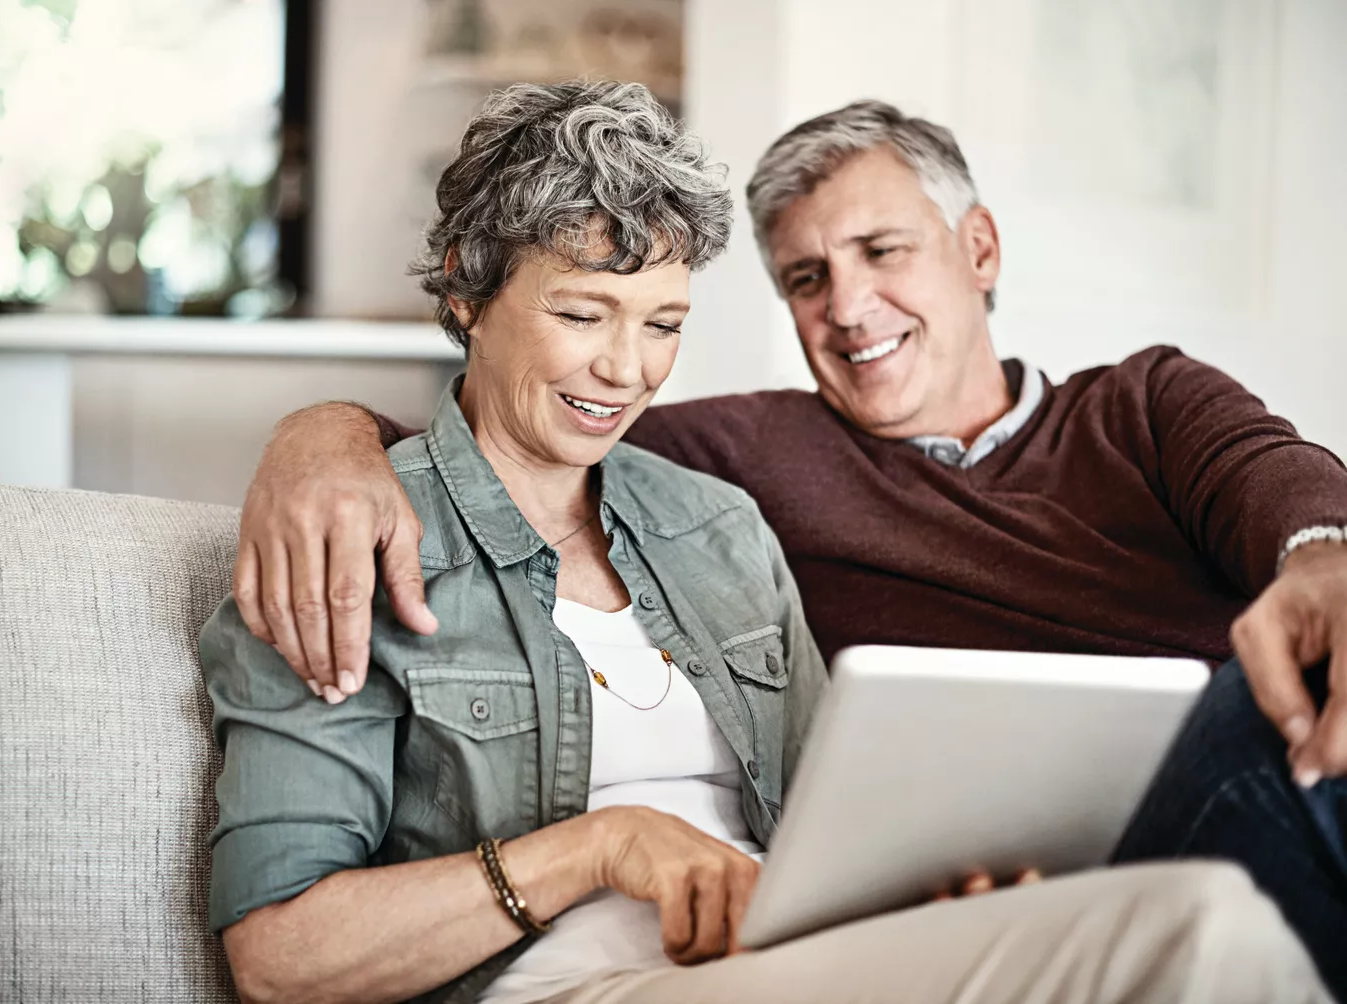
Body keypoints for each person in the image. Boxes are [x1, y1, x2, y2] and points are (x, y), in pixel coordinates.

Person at [201, 82, 1329, 1004]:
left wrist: (930, 882)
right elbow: (278, 954)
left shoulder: (712, 515)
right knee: (1205, 921)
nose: (626, 371)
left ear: (977, 249)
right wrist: (603, 844)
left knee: (1197, 921)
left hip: (783, 960)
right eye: (583, 314)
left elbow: (823, 821)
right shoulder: (352, 536)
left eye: (663, 326)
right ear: (466, 295)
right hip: (560, 983)